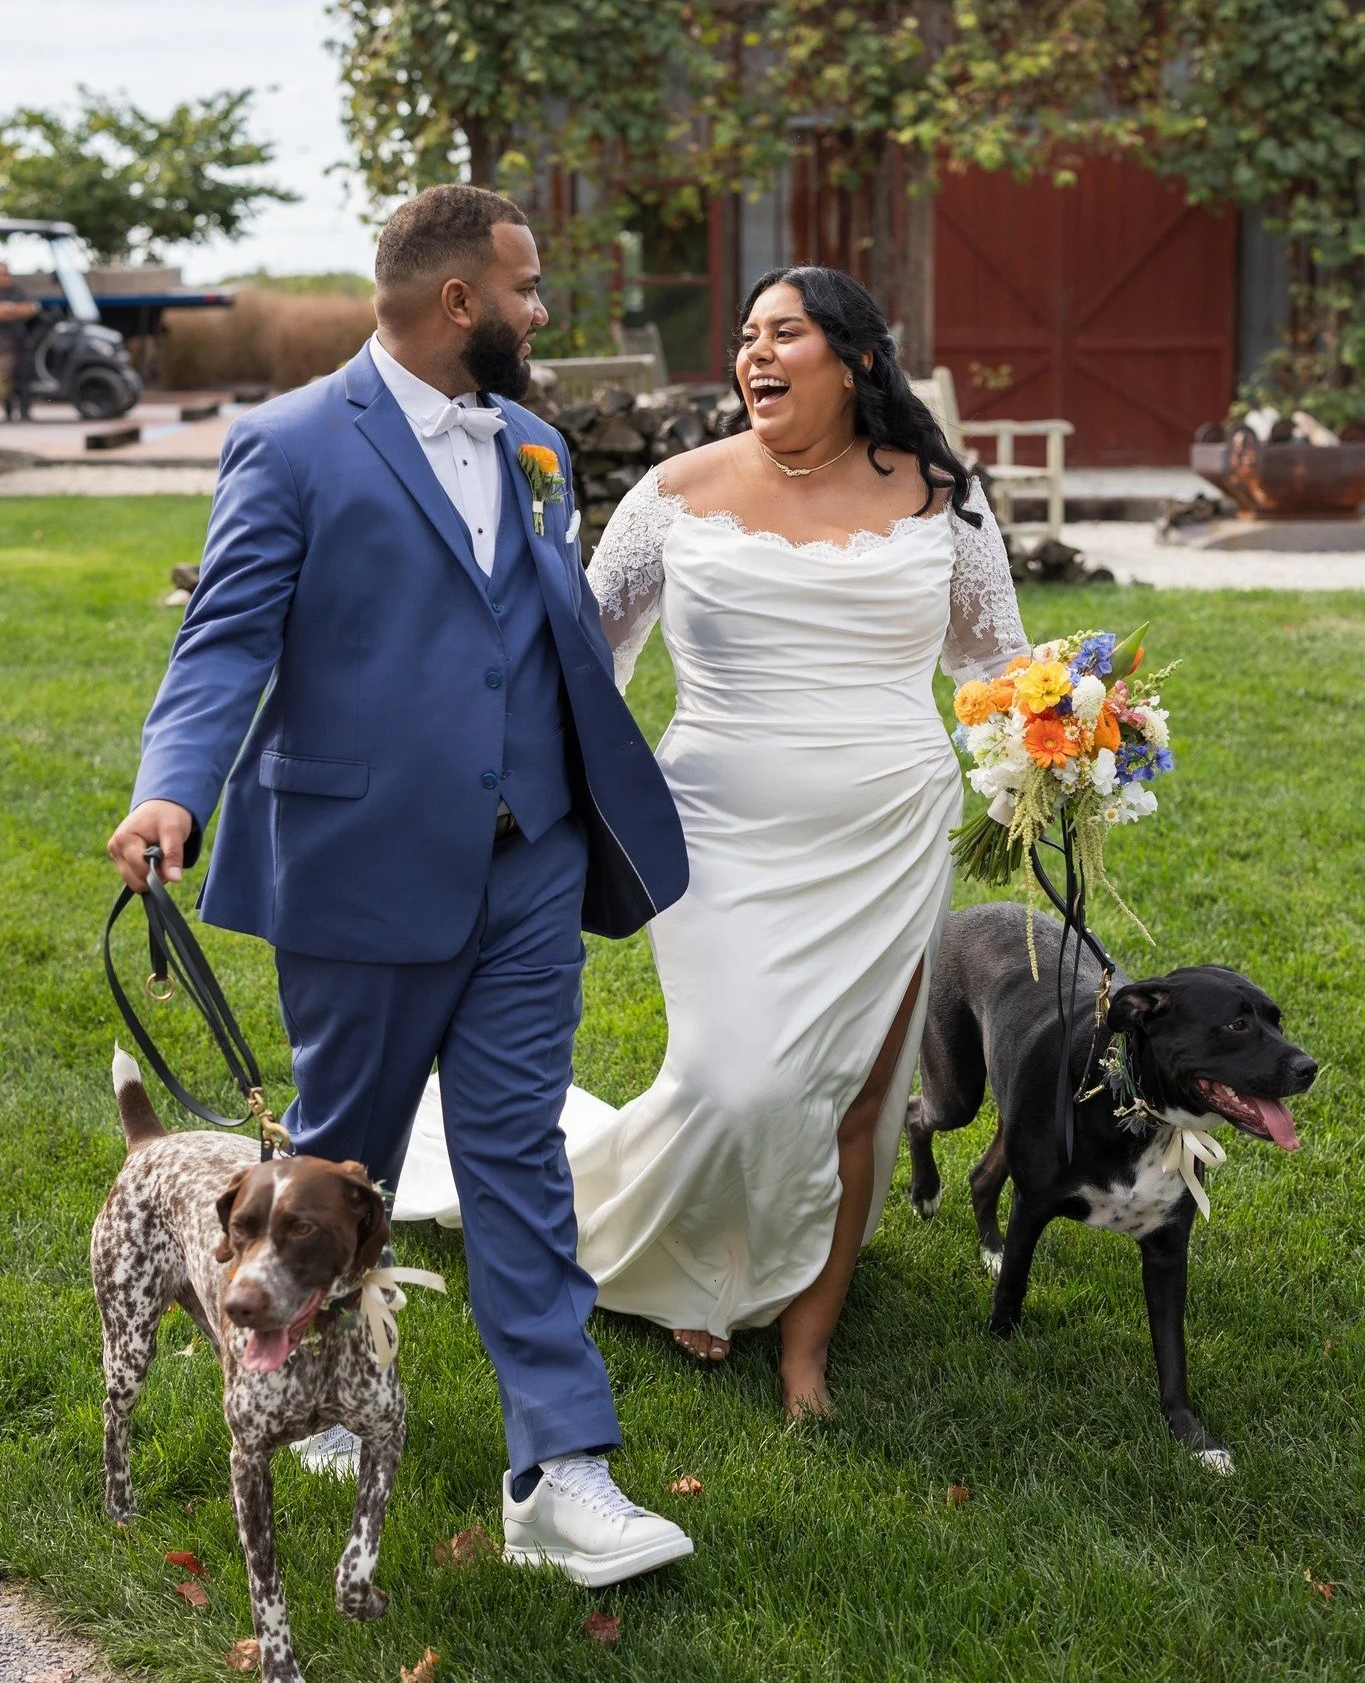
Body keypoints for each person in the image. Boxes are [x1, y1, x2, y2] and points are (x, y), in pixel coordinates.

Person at [106, 185, 696, 1587]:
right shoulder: (292, 442)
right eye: (526, 288)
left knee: (517, 1159)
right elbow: (227, 635)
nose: (540, 311)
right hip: (360, 863)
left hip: (531, 860)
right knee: (339, 1151)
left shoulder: (538, 446)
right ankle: (307, 1371)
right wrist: (174, 783)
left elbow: (540, 632)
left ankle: (561, 1470)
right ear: (457, 300)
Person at [395, 265, 1029, 1419]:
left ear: (858, 357)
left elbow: (998, 669)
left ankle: (805, 1346)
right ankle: (683, 1247)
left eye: (785, 332)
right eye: (747, 335)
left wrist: (1056, 753)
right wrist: (496, 777)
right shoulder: (676, 493)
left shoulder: (944, 495)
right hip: (717, 831)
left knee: (850, 1097)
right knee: (732, 1082)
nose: (755, 353)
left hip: (889, 833)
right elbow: (579, 657)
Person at [0, 260, 37, 422]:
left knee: (24, 376)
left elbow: (30, 309)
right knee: (5, 379)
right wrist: (14, 309)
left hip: (19, 342)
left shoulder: (17, 290)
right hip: (2, 346)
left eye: (6, 274)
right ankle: (8, 411)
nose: (4, 277)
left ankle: (25, 412)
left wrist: (8, 308)